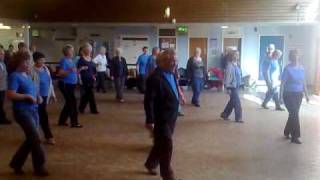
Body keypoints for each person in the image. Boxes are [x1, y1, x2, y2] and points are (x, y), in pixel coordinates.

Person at [7, 51, 49, 176]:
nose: (29, 64)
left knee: (31, 139)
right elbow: (10, 94)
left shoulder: (28, 74)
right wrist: (27, 96)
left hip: (33, 110)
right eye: (26, 62)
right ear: (19, 62)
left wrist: (38, 96)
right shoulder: (15, 76)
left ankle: (16, 163)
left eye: (29, 61)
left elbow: (34, 89)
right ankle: (39, 167)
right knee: (35, 138)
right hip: (22, 111)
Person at [144, 49, 180, 180]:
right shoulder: (155, 78)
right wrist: (150, 120)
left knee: (160, 143)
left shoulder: (171, 73)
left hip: (171, 116)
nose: (175, 64)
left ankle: (150, 163)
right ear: (163, 61)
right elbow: (149, 101)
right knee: (167, 145)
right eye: (172, 61)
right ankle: (168, 175)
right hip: (161, 118)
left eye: (176, 61)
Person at [280, 49, 309, 144]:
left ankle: (287, 131)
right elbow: (282, 83)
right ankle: (295, 136)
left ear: (299, 56)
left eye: (297, 54)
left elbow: (303, 82)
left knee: (293, 114)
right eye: (294, 55)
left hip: (298, 95)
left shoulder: (301, 68)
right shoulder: (287, 69)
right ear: (291, 57)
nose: (296, 56)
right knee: (295, 113)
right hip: (288, 94)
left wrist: (307, 95)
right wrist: (280, 97)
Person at [32, 52, 56, 144]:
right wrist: (36, 96)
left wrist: (53, 95)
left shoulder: (46, 69)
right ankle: (48, 136)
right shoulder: (32, 71)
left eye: (43, 59)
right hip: (36, 97)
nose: (43, 61)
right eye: (40, 60)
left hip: (45, 96)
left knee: (40, 116)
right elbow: (31, 85)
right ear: (35, 61)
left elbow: (50, 83)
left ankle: (37, 135)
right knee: (41, 116)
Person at [57, 44, 82, 128]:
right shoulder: (64, 60)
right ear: (67, 52)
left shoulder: (71, 60)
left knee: (69, 103)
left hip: (71, 84)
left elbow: (73, 72)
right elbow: (60, 74)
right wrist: (69, 70)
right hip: (65, 85)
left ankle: (62, 121)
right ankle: (74, 123)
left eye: (72, 50)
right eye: (71, 50)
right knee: (72, 103)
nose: (73, 52)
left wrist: (80, 70)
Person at [220, 50, 243, 123]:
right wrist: (227, 87)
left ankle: (225, 114)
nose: (238, 56)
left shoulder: (237, 64)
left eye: (238, 54)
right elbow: (227, 77)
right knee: (237, 103)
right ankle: (238, 118)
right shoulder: (229, 66)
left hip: (237, 86)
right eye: (236, 55)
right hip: (232, 87)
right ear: (232, 56)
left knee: (232, 102)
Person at [78, 43, 99, 114]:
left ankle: (81, 107)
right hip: (84, 79)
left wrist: (94, 76)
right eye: (88, 50)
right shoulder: (81, 59)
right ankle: (93, 110)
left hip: (91, 79)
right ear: (85, 50)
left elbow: (92, 69)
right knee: (91, 94)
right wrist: (81, 69)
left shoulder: (90, 58)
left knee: (87, 95)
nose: (90, 51)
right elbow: (78, 70)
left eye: (90, 50)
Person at [0, 47, 11, 124]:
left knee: (1, 104)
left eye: (3, 54)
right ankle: (2, 119)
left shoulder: (2, 63)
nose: (3, 55)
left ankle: (2, 118)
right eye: (1, 54)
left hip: (3, 87)